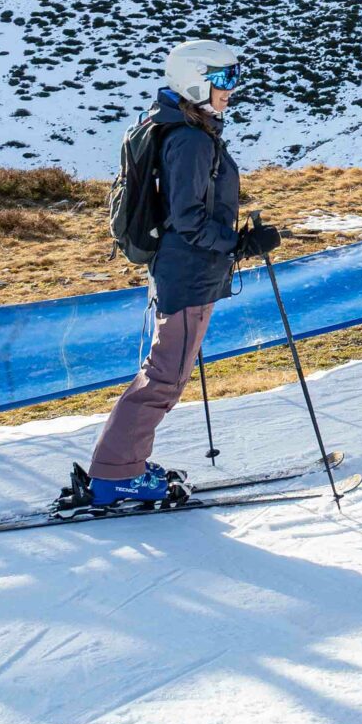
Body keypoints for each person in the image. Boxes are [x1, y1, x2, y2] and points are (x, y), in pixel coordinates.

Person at [83, 40, 280, 508]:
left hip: (183, 269)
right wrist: (240, 244)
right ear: (196, 80)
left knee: (165, 372)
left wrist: (233, 243)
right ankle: (115, 475)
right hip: (188, 272)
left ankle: (123, 465)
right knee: (164, 378)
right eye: (224, 80)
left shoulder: (185, 127)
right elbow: (189, 219)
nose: (232, 90)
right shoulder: (190, 138)